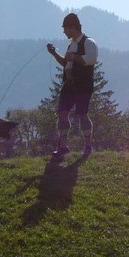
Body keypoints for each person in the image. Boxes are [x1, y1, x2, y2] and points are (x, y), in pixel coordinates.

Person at [46, 13, 98, 158]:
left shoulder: (89, 43)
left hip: (83, 85)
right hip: (69, 84)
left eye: (65, 28)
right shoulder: (72, 44)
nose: (64, 32)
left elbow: (91, 60)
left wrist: (73, 57)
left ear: (72, 27)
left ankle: (88, 146)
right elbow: (66, 63)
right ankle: (62, 146)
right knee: (63, 113)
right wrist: (54, 53)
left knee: (82, 114)